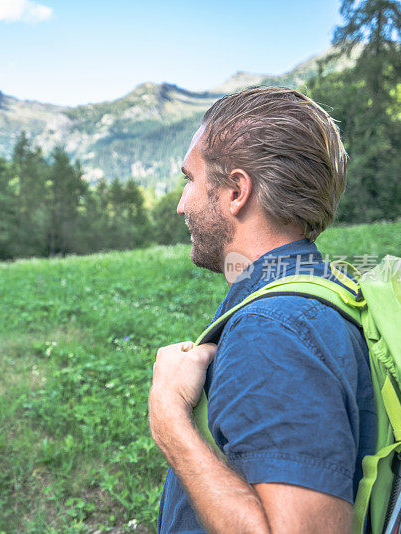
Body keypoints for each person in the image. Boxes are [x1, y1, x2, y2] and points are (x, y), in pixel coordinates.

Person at [148, 86, 376, 533]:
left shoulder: (273, 332)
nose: (181, 205)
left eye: (189, 179)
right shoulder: (325, 291)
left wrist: (169, 419)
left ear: (236, 190)